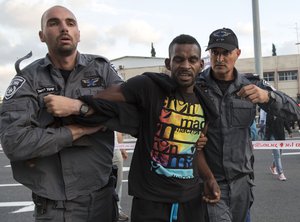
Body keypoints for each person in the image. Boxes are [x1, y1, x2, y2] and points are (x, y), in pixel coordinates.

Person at [43, 34, 221, 222]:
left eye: (192, 60)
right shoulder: (149, 86)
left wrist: (209, 178)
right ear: (169, 63)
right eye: (179, 59)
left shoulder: (205, 105)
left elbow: (196, 148)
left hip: (190, 200)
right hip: (151, 201)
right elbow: (106, 99)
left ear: (201, 64)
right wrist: (75, 105)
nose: (185, 65)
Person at [0, 5, 124, 222]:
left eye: (70, 23)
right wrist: (77, 130)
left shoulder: (102, 70)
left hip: (103, 199)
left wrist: (79, 107)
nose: (64, 28)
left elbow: (131, 111)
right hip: (56, 207)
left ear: (79, 34)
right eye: (54, 23)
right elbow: (14, 142)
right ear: (42, 36)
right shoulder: (28, 80)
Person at [196, 28, 300, 222]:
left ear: (237, 53)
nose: (219, 58)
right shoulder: (196, 86)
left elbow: (294, 111)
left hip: (242, 184)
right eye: (215, 52)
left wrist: (267, 97)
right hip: (209, 181)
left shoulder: (252, 85)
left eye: (225, 52)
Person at [265, 114, 292, 181]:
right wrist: (266, 136)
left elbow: (285, 122)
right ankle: (281, 173)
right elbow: (267, 125)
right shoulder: (269, 112)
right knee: (277, 154)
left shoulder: (282, 112)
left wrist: (289, 131)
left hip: (280, 135)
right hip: (272, 135)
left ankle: (273, 167)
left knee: (279, 153)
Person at [113, 132, 129, 221]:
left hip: (115, 151)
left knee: (118, 182)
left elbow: (118, 131)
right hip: (100, 151)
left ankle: (117, 210)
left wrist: (122, 148)